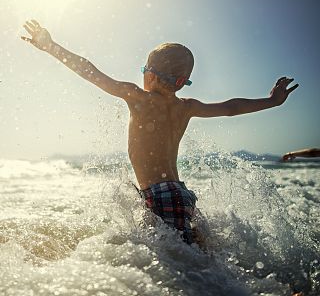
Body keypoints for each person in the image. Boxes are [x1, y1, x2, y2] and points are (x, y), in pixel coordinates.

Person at [21, 19, 299, 244]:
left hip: (159, 194)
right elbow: (231, 107)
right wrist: (272, 101)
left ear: (150, 74)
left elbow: (89, 71)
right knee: (195, 254)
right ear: (181, 82)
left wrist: (51, 46)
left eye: (144, 68)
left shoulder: (138, 97)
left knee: (177, 265)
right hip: (180, 192)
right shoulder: (187, 106)